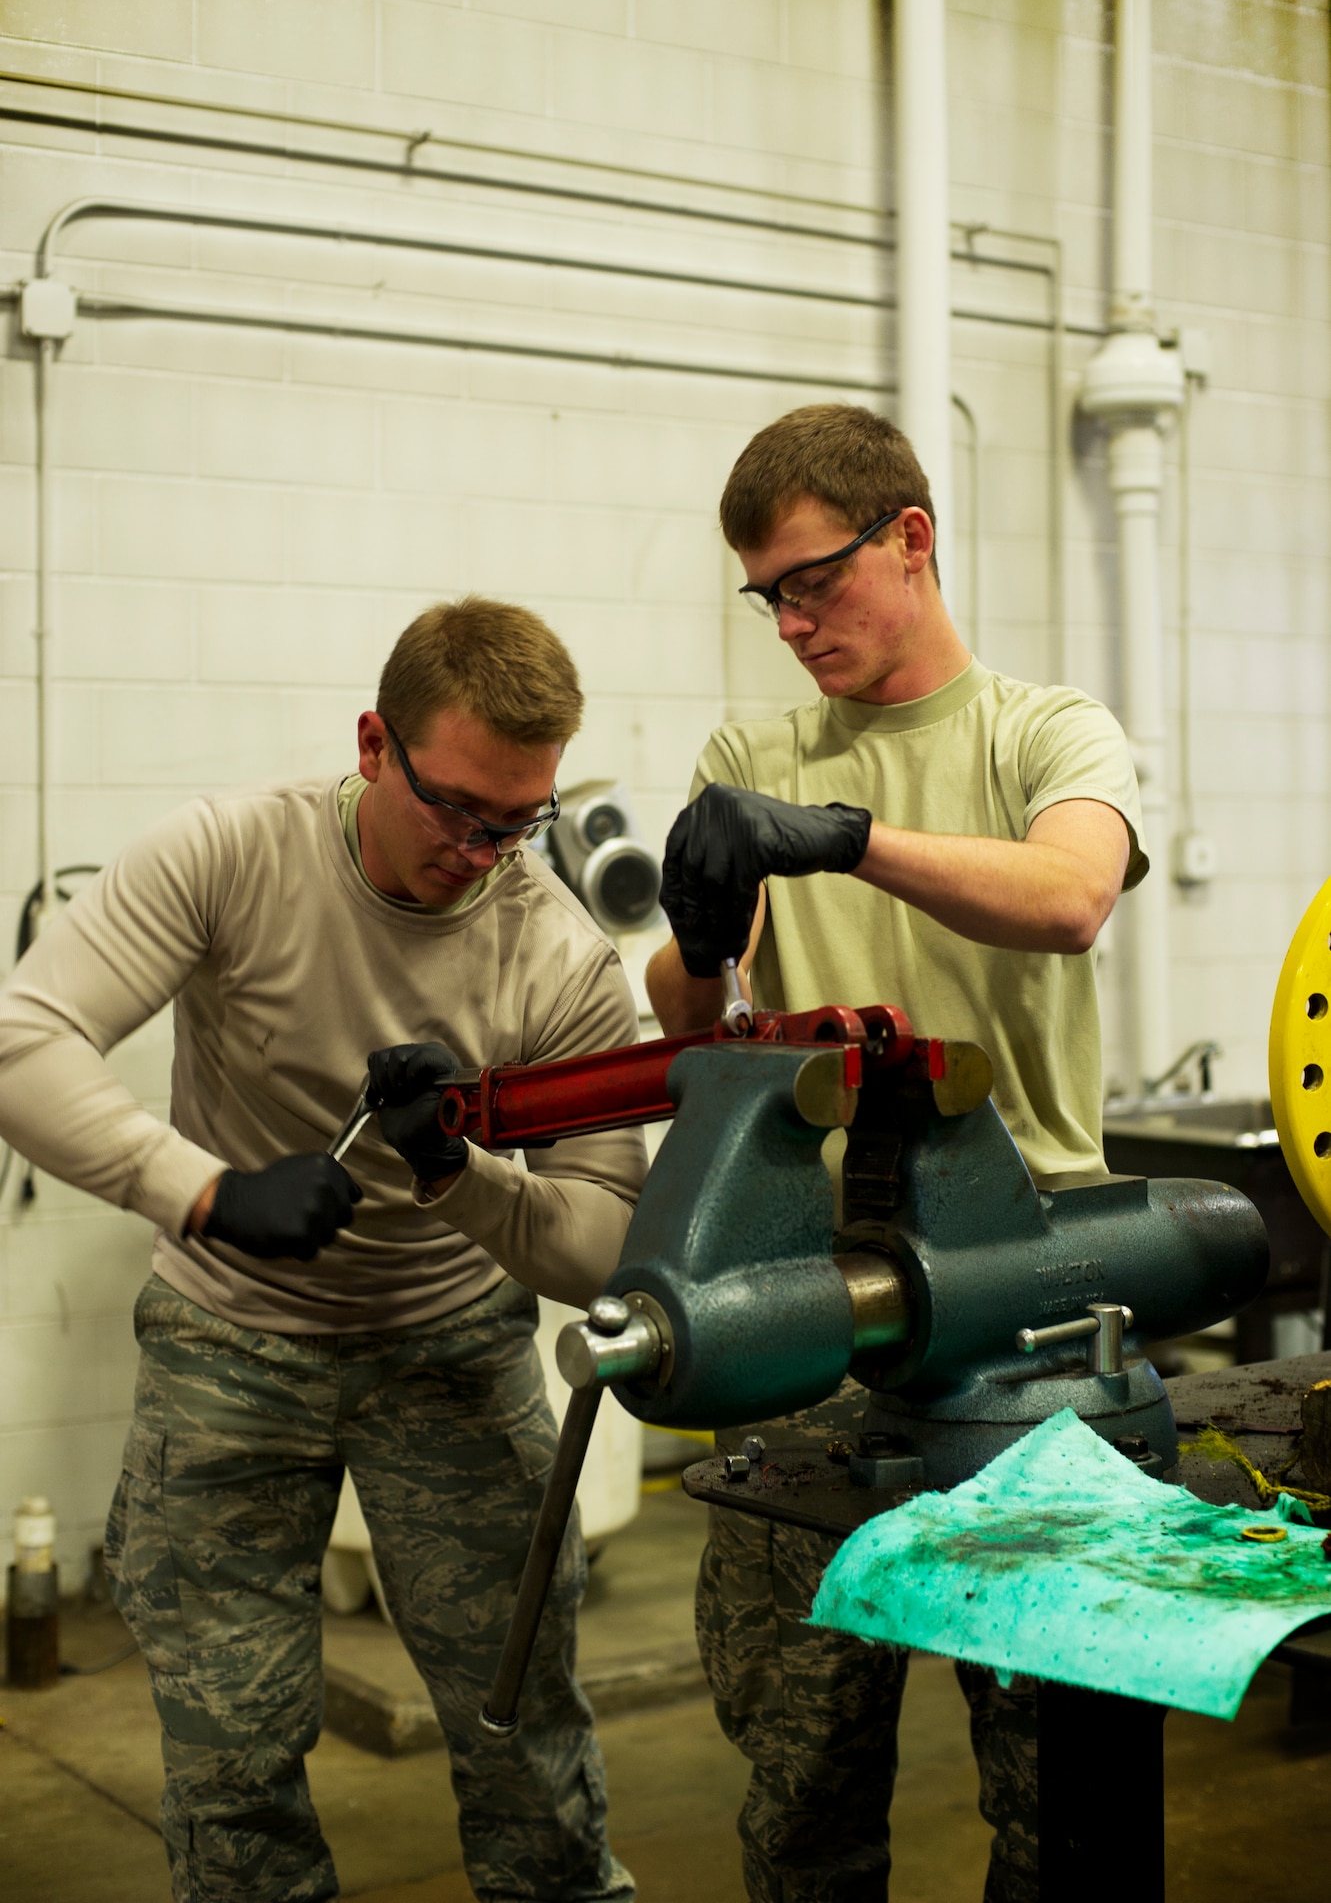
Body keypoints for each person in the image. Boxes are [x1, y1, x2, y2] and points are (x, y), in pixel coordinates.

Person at [0, 597, 645, 1903]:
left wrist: (453, 1172)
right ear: (373, 745)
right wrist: (203, 1192)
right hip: (229, 1340)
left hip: (452, 1346)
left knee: (522, 1726)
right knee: (231, 1753)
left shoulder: (560, 953)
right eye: (456, 808)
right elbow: (23, 1039)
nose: (479, 855)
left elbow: (596, 1247)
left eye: (515, 823)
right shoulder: (233, 854)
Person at [646, 404, 1146, 1903]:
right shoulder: (750, 750)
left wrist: (847, 837)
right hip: (812, 1299)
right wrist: (690, 935)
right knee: (802, 1769)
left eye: (814, 582)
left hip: (1026, 1301)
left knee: (1061, 1773)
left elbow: (1069, 898)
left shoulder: (1045, 730)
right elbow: (694, 1019)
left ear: (911, 539)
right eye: (768, 599)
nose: (792, 625)